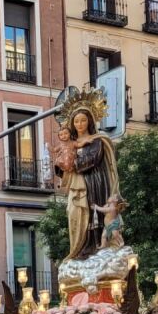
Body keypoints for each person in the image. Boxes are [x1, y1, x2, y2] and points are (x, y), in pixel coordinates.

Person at [59, 105, 120, 260]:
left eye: (83, 120)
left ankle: (94, 247)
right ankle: (79, 248)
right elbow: (62, 169)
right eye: (76, 121)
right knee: (73, 212)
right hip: (76, 184)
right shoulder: (69, 143)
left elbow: (94, 158)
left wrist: (73, 163)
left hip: (94, 181)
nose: (79, 124)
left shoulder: (97, 140)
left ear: (90, 121)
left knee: (93, 213)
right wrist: (60, 164)